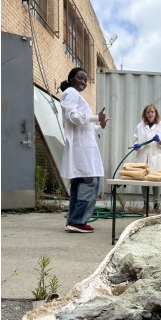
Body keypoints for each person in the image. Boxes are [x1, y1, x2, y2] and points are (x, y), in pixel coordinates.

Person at [59, 67, 110, 233]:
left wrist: (99, 125)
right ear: (72, 78)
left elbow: (86, 128)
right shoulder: (71, 93)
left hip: (84, 149)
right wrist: (95, 117)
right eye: (80, 78)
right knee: (90, 183)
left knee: (80, 184)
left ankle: (73, 220)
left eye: (85, 80)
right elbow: (72, 117)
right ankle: (77, 220)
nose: (83, 82)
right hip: (81, 151)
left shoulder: (75, 95)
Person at [132, 104, 161, 211]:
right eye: (148, 112)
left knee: (156, 180)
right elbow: (136, 139)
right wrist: (136, 145)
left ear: (155, 113)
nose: (150, 114)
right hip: (143, 156)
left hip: (156, 157)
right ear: (145, 114)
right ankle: (145, 204)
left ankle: (156, 205)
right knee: (144, 180)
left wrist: (159, 141)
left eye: (152, 112)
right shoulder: (140, 126)